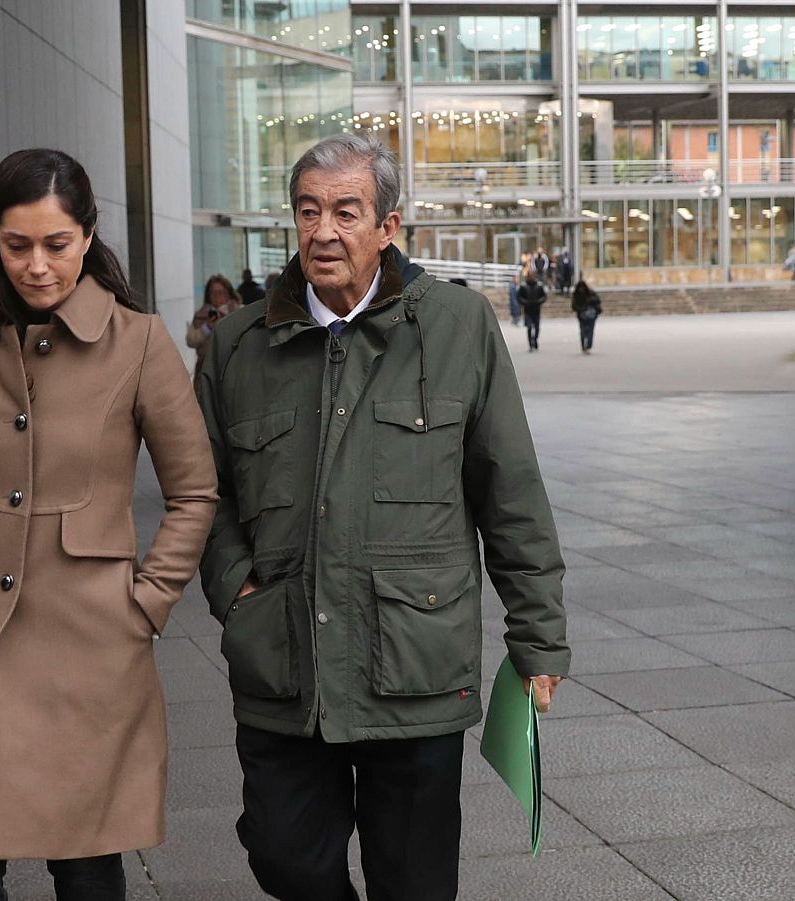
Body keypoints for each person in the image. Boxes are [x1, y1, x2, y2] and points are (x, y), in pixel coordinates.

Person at [194, 133, 569, 901]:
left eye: (345, 210)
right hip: (284, 658)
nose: (323, 231)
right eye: (307, 210)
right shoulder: (236, 345)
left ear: (389, 226)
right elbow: (206, 493)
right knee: (284, 855)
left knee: (415, 881)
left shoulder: (457, 325)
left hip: (413, 661)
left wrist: (538, 636)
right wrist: (236, 590)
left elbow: (510, 488)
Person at [0, 148, 219, 900]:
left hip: (90, 649)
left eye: (56, 244)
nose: (37, 265)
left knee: (87, 870)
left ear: (89, 235)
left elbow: (195, 492)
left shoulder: (139, 343)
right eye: (17, 244)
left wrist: (146, 605)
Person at [186, 274, 243, 376]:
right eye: (213, 292)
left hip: (234, 370)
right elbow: (191, 341)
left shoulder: (240, 312)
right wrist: (207, 327)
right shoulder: (201, 314)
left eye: (220, 292)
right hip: (206, 371)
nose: (217, 296)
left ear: (228, 293)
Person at [518, 268, 547, 351]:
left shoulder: (539, 285)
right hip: (527, 310)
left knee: (537, 328)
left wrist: (539, 301)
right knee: (529, 327)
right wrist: (525, 302)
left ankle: (535, 339)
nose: (531, 277)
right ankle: (530, 344)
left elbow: (544, 296)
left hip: (536, 310)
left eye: (532, 276)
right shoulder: (523, 286)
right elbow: (519, 297)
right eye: (529, 276)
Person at [572, 278, 602, 353]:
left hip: (591, 315)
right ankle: (583, 346)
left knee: (590, 331)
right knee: (583, 331)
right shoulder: (576, 295)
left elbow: (597, 300)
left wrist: (589, 302)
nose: (581, 290)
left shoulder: (591, 294)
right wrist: (580, 309)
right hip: (581, 315)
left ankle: (588, 345)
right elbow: (574, 306)